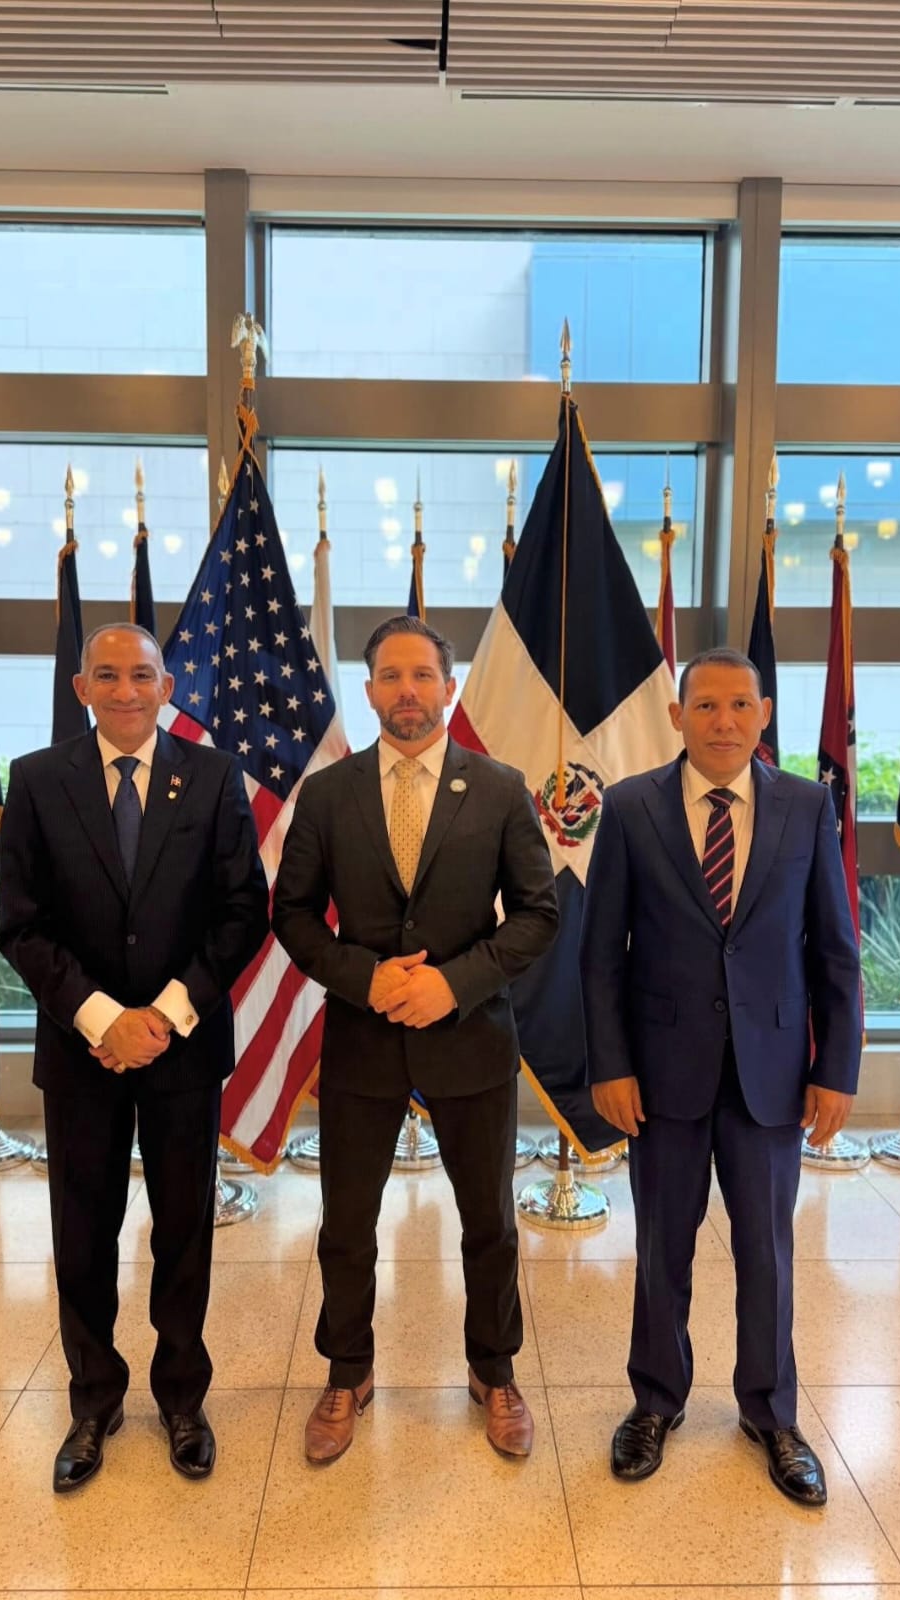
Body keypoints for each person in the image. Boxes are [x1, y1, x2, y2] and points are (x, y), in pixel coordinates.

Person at [272, 614, 558, 1464]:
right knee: (346, 1224)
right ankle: (347, 1371)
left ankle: (494, 1371)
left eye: (422, 675)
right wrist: (364, 978)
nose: (407, 691)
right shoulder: (328, 793)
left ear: (449, 687)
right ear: (368, 692)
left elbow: (538, 914)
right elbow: (292, 915)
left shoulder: (499, 787)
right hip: (362, 1042)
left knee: (489, 1223)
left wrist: (454, 983)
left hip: (470, 1039)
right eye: (391, 677)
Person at [579, 647, 861, 1506]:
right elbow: (601, 956)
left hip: (772, 1074)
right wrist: (610, 1065)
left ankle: (772, 1414)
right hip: (661, 1075)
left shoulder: (807, 806)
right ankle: (655, 1402)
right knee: (661, 1247)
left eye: (741, 704)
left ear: (763, 714)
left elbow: (835, 951)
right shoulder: (630, 808)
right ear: (678, 716)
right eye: (706, 705)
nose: (725, 721)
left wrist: (837, 1069)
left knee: (766, 1252)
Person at [0, 624, 269, 1493]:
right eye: (107, 675)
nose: (125, 690)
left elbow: (243, 911)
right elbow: (21, 925)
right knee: (83, 1232)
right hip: (82, 1052)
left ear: (165, 687)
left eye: (141, 675)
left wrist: (164, 1014)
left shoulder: (215, 776)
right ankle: (94, 1400)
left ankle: (183, 1398)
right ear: (82, 687)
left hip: (182, 1047)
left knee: (185, 1228)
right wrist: (103, 1019)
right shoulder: (37, 780)